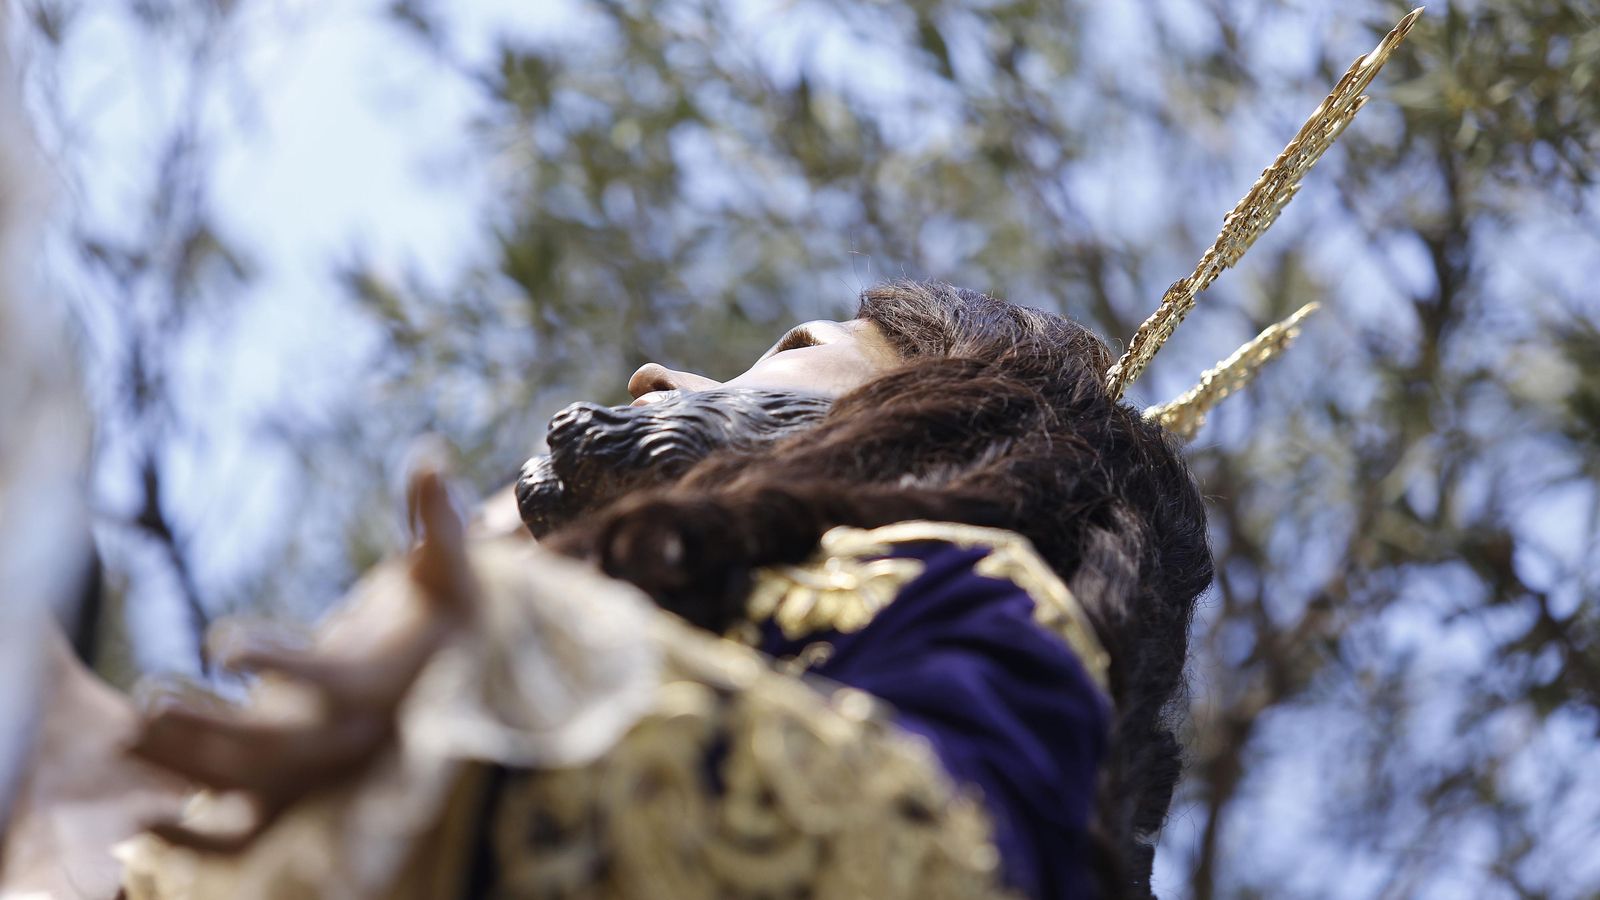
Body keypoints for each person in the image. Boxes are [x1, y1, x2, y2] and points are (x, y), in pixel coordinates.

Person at [95, 280, 1211, 900]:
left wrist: (498, 681)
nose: (654, 378)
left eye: (792, 342)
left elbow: (945, 855)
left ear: (943, 417)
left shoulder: (962, 597)